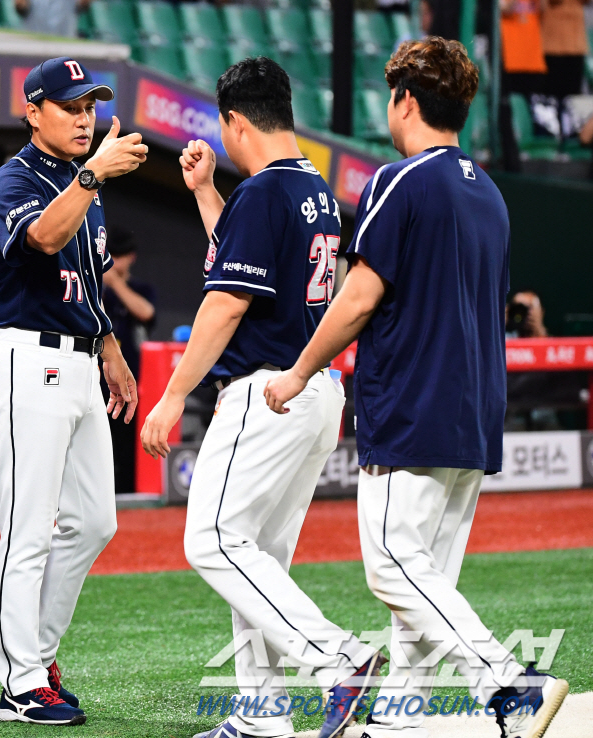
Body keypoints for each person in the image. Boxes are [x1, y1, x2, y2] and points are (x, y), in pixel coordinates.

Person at [264, 37, 569, 738]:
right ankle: (398, 722)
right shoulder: (488, 190)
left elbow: (359, 297)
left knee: (395, 569)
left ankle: (507, 682)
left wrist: (300, 369)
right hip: (474, 407)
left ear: (404, 100)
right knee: (424, 583)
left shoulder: (399, 180)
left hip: (414, 402)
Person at [138, 57, 383, 738]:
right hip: (312, 392)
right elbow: (253, 264)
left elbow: (226, 302)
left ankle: (340, 659)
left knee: (212, 541)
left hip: (266, 394)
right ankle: (262, 715)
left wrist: (171, 395)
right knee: (255, 559)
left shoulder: (266, 191)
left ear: (234, 121)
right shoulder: (313, 187)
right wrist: (207, 195)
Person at [0, 56, 144, 726]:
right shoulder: (13, 179)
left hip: (78, 361)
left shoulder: (85, 187)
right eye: (71, 106)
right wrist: (92, 172)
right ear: (34, 111)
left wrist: (111, 349)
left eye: (92, 106)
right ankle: (20, 685)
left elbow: (90, 279)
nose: (86, 117)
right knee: (28, 532)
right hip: (26, 360)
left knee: (94, 520)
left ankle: (27, 653)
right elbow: (44, 236)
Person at [99, 231, 156, 493]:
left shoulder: (140, 289)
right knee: (100, 443)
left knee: (128, 443)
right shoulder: (96, 288)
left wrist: (117, 284)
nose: (116, 263)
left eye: (120, 257)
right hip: (99, 377)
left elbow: (146, 312)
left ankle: (128, 495)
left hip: (132, 378)